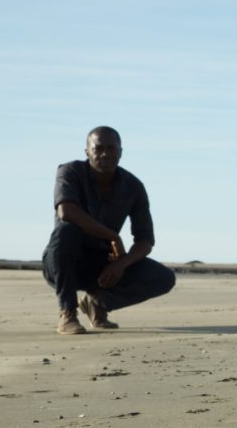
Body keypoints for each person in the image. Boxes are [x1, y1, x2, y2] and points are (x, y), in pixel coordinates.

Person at [42, 127, 175, 334]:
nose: (105, 154)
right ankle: (68, 313)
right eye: (99, 149)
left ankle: (97, 303)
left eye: (111, 148)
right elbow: (66, 211)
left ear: (121, 152)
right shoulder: (70, 172)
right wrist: (112, 235)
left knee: (163, 277)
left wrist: (122, 264)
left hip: (103, 266)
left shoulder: (133, 186)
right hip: (65, 263)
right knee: (66, 232)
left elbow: (145, 240)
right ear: (87, 152)